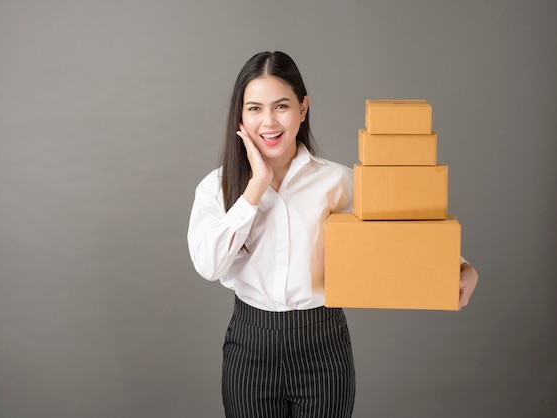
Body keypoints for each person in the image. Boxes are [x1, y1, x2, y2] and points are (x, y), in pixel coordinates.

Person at [187, 51, 479, 418]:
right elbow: (208, 265)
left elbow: (402, 228)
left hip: (322, 345)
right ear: (240, 115)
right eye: (255, 108)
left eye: (281, 106)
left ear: (303, 108)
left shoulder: (337, 181)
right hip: (250, 345)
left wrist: (460, 267)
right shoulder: (217, 187)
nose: (269, 121)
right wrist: (255, 188)